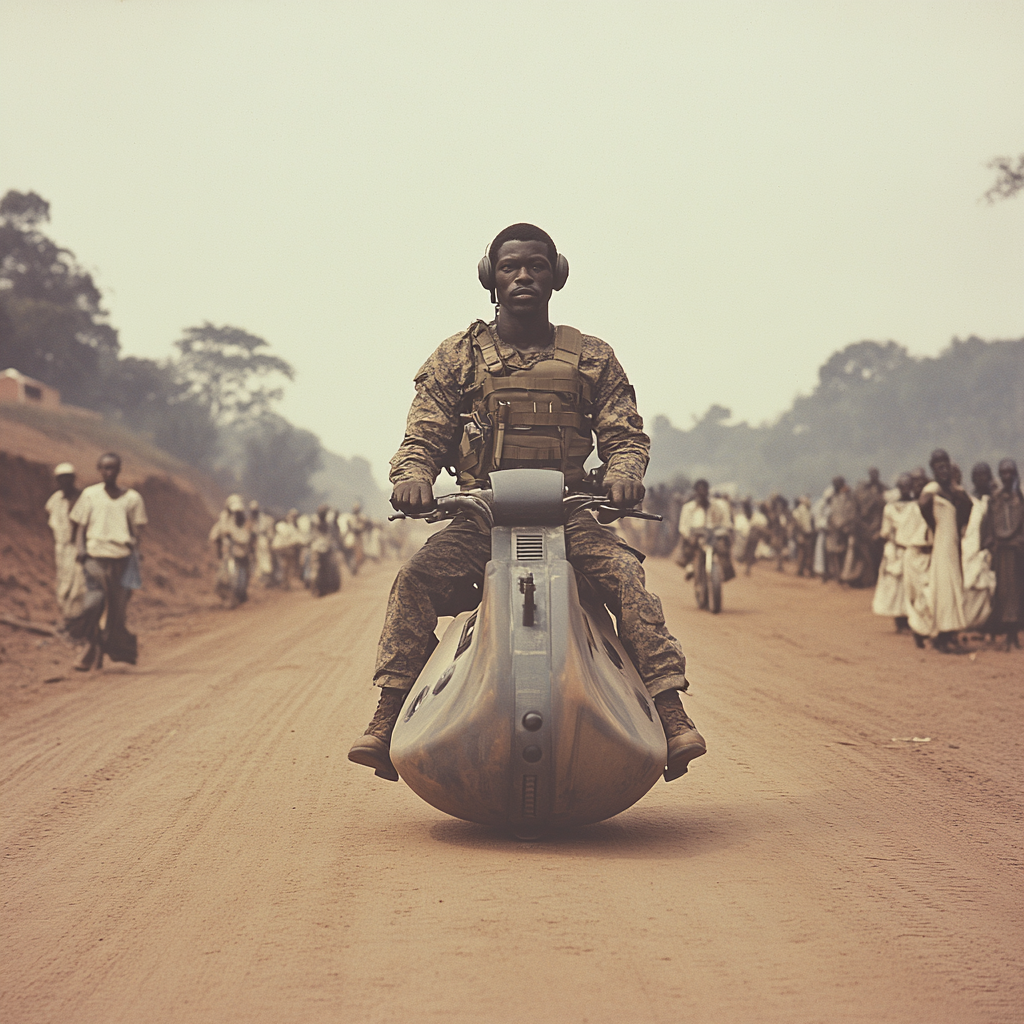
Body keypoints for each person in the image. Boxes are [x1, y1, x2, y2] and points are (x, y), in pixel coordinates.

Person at [347, 223, 705, 784]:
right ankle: (387, 715)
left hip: (570, 515)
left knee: (627, 579)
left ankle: (672, 713)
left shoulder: (592, 357)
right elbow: (422, 436)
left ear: (555, 275)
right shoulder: (457, 357)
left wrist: (624, 474)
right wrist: (413, 476)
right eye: (510, 266)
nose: (523, 277)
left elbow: (625, 435)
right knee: (415, 578)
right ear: (491, 277)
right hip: (480, 518)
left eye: (535, 266)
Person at [68, 452, 147, 670]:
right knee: (93, 603)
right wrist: (81, 549)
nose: (107, 472)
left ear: (119, 470)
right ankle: (88, 645)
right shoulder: (90, 495)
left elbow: (136, 530)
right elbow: (81, 526)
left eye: (112, 468)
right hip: (94, 558)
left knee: (116, 612)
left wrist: (135, 550)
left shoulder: (132, 498)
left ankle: (104, 651)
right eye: (104, 467)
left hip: (121, 560)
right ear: (99, 469)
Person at [918, 449, 972, 652]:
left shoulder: (952, 488)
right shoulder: (933, 488)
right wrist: (934, 525)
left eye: (946, 466)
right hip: (941, 542)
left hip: (953, 542)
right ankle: (940, 635)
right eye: (938, 466)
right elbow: (922, 504)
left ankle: (948, 632)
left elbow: (967, 505)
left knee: (953, 585)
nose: (943, 469)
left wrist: (956, 488)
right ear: (933, 469)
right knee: (943, 586)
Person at [984, 458, 1023, 650]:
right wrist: (993, 543)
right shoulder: (995, 500)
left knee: (1017, 594)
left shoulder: (1021, 499)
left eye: (1010, 473)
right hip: (1001, 555)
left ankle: (1014, 636)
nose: (1007, 477)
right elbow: (990, 527)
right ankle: (1005, 636)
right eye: (1003, 473)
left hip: (1017, 556)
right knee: (1003, 593)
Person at [871, 473, 914, 631]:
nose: (906, 489)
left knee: (909, 585)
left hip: (911, 550)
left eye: (908, 485)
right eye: (903, 486)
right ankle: (899, 620)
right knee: (896, 586)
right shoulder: (890, 508)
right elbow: (885, 531)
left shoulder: (916, 505)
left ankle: (910, 618)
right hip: (895, 551)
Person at [44, 462, 83, 621]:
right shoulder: (55, 499)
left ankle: (77, 620)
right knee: (63, 583)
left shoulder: (81, 499)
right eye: (61, 478)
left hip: (76, 547)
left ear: (73, 479)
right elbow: (50, 517)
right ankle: (67, 618)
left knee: (77, 586)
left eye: (68, 478)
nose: (65, 482)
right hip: (61, 547)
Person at [961, 463, 996, 632]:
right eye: (978, 475)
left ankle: (986, 624)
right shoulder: (968, 500)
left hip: (988, 550)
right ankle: (968, 622)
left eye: (985, 475)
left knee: (987, 587)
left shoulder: (994, 501)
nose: (981, 479)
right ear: (973, 479)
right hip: (969, 548)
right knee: (969, 585)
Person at [677, 479, 734, 581]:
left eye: (704, 491)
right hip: (696, 535)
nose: (702, 494)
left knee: (723, 550)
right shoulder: (688, 507)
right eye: (700, 491)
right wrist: (689, 536)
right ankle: (689, 565)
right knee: (688, 550)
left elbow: (725, 523)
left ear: (708, 491)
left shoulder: (717, 506)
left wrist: (724, 531)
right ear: (696, 492)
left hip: (713, 535)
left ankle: (725, 572)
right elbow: (683, 526)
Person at [209, 495, 255, 608]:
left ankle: (240, 596)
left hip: (242, 553)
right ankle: (228, 597)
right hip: (229, 553)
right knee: (224, 577)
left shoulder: (244, 522)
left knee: (242, 577)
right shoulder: (224, 519)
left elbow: (246, 537)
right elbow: (215, 535)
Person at [855, 468, 887, 587]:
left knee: (879, 555)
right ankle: (870, 579)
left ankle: (878, 579)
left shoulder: (883, 489)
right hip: (866, 529)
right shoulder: (863, 491)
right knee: (867, 557)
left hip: (880, 527)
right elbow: (861, 512)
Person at [271, 509, 304, 589]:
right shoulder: (282, 526)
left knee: (289, 567)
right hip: (283, 550)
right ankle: (283, 582)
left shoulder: (294, 526)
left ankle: (287, 583)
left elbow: (297, 538)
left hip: (291, 550)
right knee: (284, 566)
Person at [248, 500, 277, 586]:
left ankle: (267, 577)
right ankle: (261, 578)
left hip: (263, 540)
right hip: (257, 541)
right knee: (258, 558)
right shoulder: (253, 518)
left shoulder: (263, 518)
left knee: (265, 558)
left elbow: (266, 531)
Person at [791, 495, 815, 577]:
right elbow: (797, 523)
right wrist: (799, 534)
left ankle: (804, 571)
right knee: (804, 553)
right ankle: (802, 571)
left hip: (806, 533)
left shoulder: (807, 510)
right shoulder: (801, 510)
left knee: (805, 553)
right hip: (803, 534)